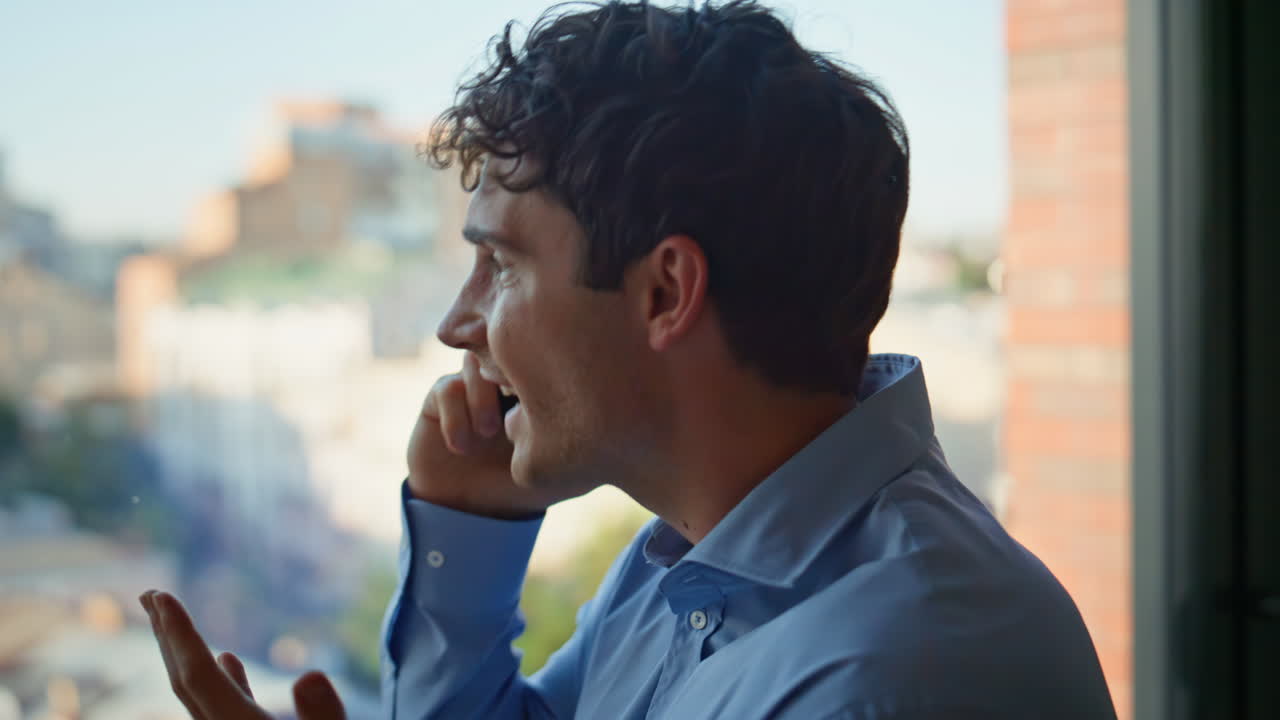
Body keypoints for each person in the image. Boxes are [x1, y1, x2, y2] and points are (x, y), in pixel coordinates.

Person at [140, 1, 1118, 718]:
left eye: (500, 266)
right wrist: (467, 534)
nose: (456, 325)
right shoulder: (690, 563)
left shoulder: (890, 676)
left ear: (664, 293)